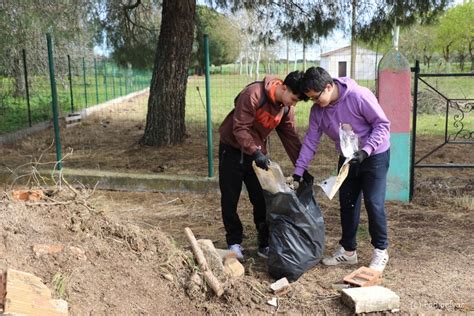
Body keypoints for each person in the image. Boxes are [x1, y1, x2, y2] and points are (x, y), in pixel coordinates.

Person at [292, 66, 391, 272]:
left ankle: (380, 251)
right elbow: (311, 142)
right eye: (310, 99)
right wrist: (298, 172)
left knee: (374, 203)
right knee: (347, 203)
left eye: (316, 97)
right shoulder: (318, 111)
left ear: (328, 87)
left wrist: (366, 150)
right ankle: (348, 251)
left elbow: (382, 125)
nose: (314, 102)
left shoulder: (359, 96)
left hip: (374, 155)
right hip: (348, 158)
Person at [219, 71, 311, 261]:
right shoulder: (253, 94)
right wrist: (255, 151)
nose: (293, 104)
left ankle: (265, 244)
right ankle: (234, 242)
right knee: (230, 198)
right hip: (232, 149)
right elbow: (240, 128)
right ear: (284, 87)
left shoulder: (285, 108)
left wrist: (302, 168)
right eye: (293, 98)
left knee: (262, 199)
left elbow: (291, 138)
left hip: (257, 155)